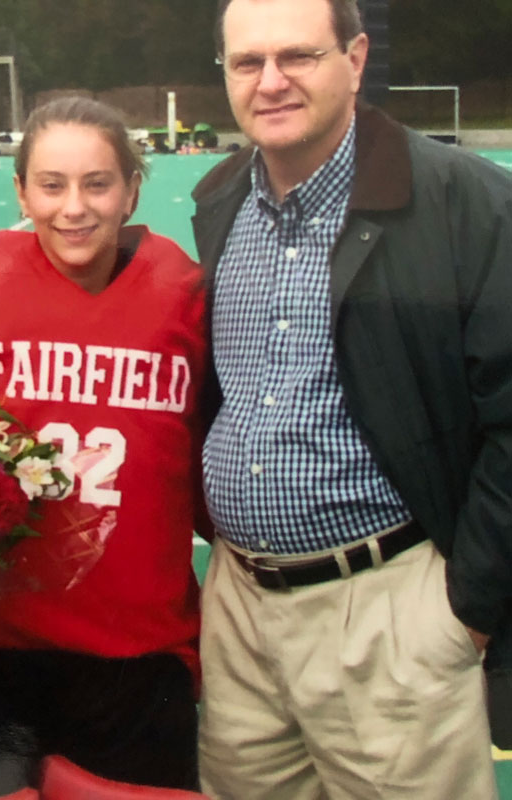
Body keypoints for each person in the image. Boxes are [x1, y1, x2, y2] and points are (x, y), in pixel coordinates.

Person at [190, 0, 511, 797]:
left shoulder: (461, 202)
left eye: (297, 56)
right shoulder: (221, 197)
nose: (269, 82)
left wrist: (463, 609)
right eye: (246, 63)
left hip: (387, 615)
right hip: (239, 614)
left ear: (355, 59)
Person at [0, 96, 208, 797]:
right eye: (50, 184)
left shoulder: (184, 292)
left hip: (135, 653)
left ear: (132, 188)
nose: (73, 207)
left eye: (97, 183)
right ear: (19, 191)